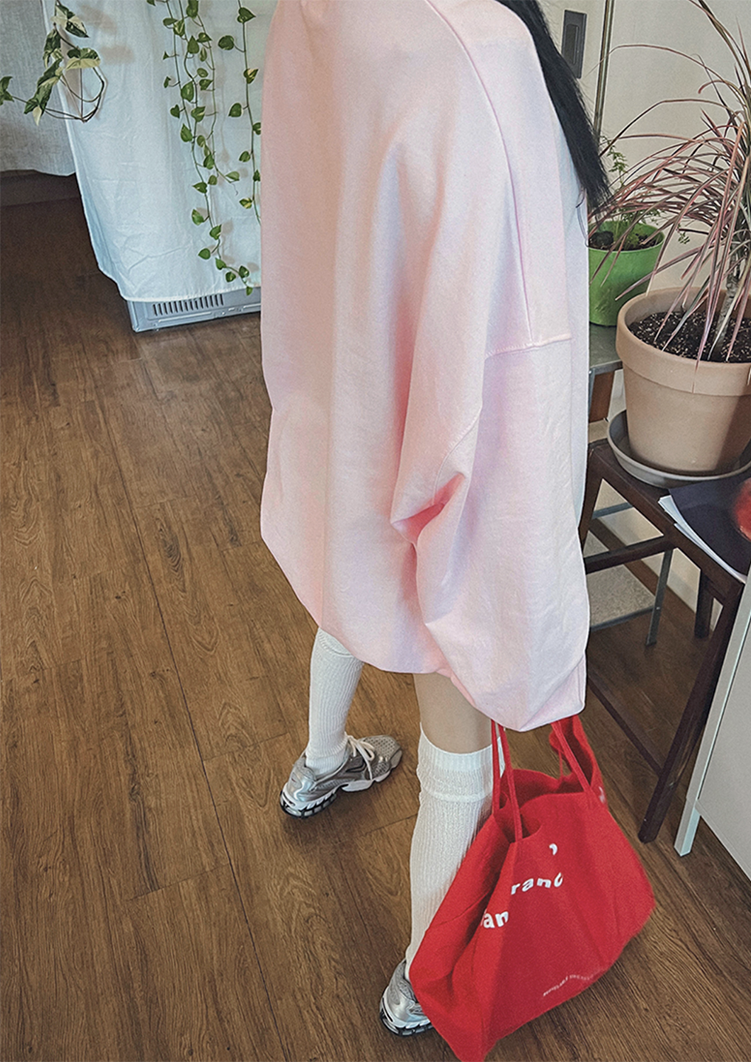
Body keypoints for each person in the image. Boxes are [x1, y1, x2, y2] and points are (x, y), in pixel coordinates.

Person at [258, 0, 609, 1037]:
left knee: (349, 575)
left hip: (343, 395)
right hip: (439, 438)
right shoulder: (482, 54)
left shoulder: (320, 12)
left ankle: (322, 761)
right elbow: (516, 361)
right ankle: (428, 973)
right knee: (458, 726)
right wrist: (522, 602)